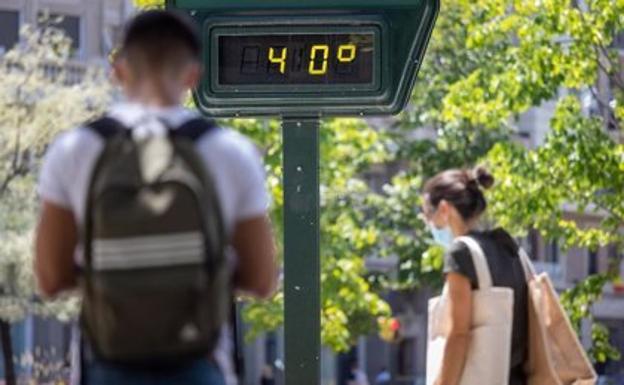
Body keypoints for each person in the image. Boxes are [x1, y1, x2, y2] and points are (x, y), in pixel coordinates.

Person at [34, 9, 277, 385]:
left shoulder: (75, 150)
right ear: (193, 75)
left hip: (107, 363)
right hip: (200, 364)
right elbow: (262, 280)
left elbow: (50, 279)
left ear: (120, 71)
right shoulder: (230, 152)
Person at [422, 167, 528, 385]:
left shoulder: (461, 253)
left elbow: (459, 334)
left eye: (428, 217)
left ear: (444, 209)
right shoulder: (508, 247)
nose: (430, 226)